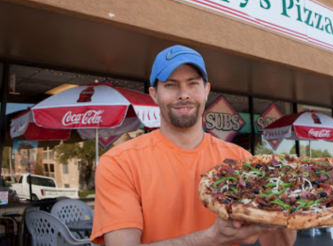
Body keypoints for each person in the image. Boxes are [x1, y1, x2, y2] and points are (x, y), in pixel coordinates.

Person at [91, 45, 297, 246]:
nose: (184, 94)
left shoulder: (242, 162)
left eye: (192, 83)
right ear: (154, 94)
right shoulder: (119, 163)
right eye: (171, 85)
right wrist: (212, 238)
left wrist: (283, 201)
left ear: (206, 90)